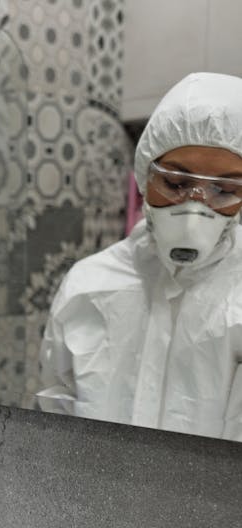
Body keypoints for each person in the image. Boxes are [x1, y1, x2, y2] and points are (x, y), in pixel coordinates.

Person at [38, 72, 242, 441]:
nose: (196, 208)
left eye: (224, 191)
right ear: (145, 177)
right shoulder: (89, 287)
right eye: (176, 184)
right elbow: (55, 426)